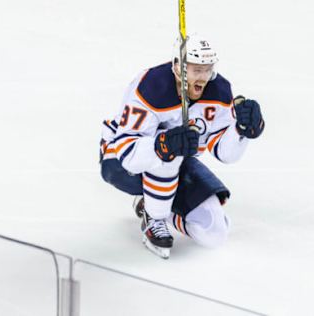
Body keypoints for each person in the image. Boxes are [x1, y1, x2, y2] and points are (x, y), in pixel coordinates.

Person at [99, 34, 265, 259]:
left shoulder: (219, 91)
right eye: (197, 69)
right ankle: (154, 218)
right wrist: (164, 146)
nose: (204, 77)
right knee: (171, 151)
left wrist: (242, 130)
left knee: (214, 232)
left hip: (174, 163)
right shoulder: (151, 86)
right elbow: (129, 154)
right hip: (119, 160)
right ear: (178, 67)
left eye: (208, 69)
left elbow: (224, 152)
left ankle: (154, 206)